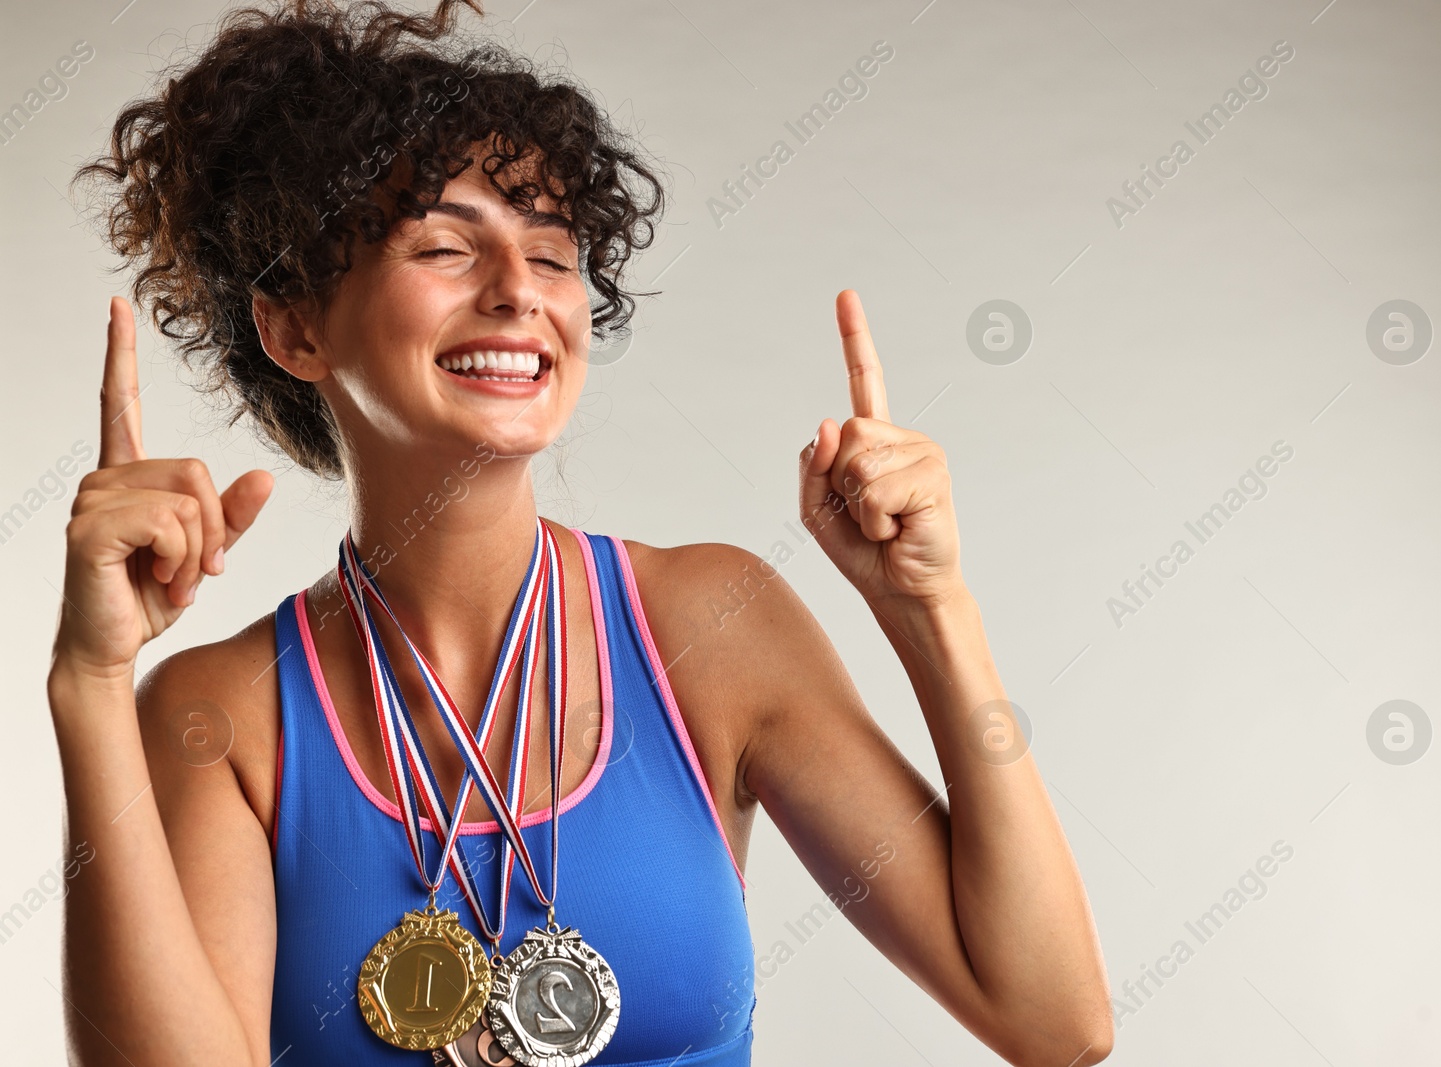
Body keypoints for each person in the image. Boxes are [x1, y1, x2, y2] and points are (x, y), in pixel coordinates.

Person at [48, 2, 1112, 1064]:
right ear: (295, 326)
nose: (519, 291)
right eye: (447, 247)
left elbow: (1053, 1021)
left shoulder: (712, 625)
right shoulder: (224, 716)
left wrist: (930, 607)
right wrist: (91, 683)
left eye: (554, 257)